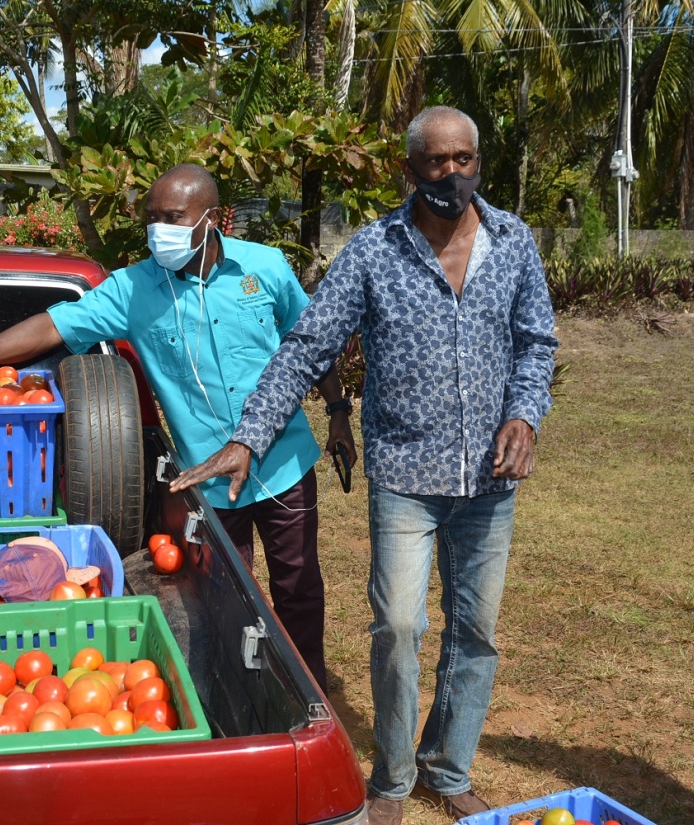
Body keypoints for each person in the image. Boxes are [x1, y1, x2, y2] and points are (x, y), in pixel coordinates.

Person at [169, 107, 558, 824]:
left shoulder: (513, 241)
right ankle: (394, 774)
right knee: (399, 628)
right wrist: (251, 436)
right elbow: (309, 345)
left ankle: (450, 764)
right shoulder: (375, 249)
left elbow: (536, 340)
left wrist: (526, 413)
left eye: (464, 158)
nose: (453, 173)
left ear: (479, 162)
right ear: (411, 170)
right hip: (406, 477)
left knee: (475, 631)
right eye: (437, 161)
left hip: (489, 480)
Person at [0, 163, 355, 694]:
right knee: (229, 603)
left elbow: (310, 345)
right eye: (151, 218)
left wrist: (337, 413)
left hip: (283, 465)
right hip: (208, 482)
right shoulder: (132, 289)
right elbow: (53, 325)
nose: (158, 230)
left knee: (299, 590)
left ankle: (312, 698)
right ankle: (248, 706)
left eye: (172, 217)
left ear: (211, 220)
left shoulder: (266, 268)